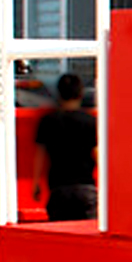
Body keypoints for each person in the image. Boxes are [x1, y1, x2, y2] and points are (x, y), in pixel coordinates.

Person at [33, 72, 98, 221]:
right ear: (80, 94)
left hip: (59, 189)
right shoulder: (90, 122)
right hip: (85, 188)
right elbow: (97, 154)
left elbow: (40, 155)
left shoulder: (48, 121)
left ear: (59, 94)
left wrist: (36, 184)